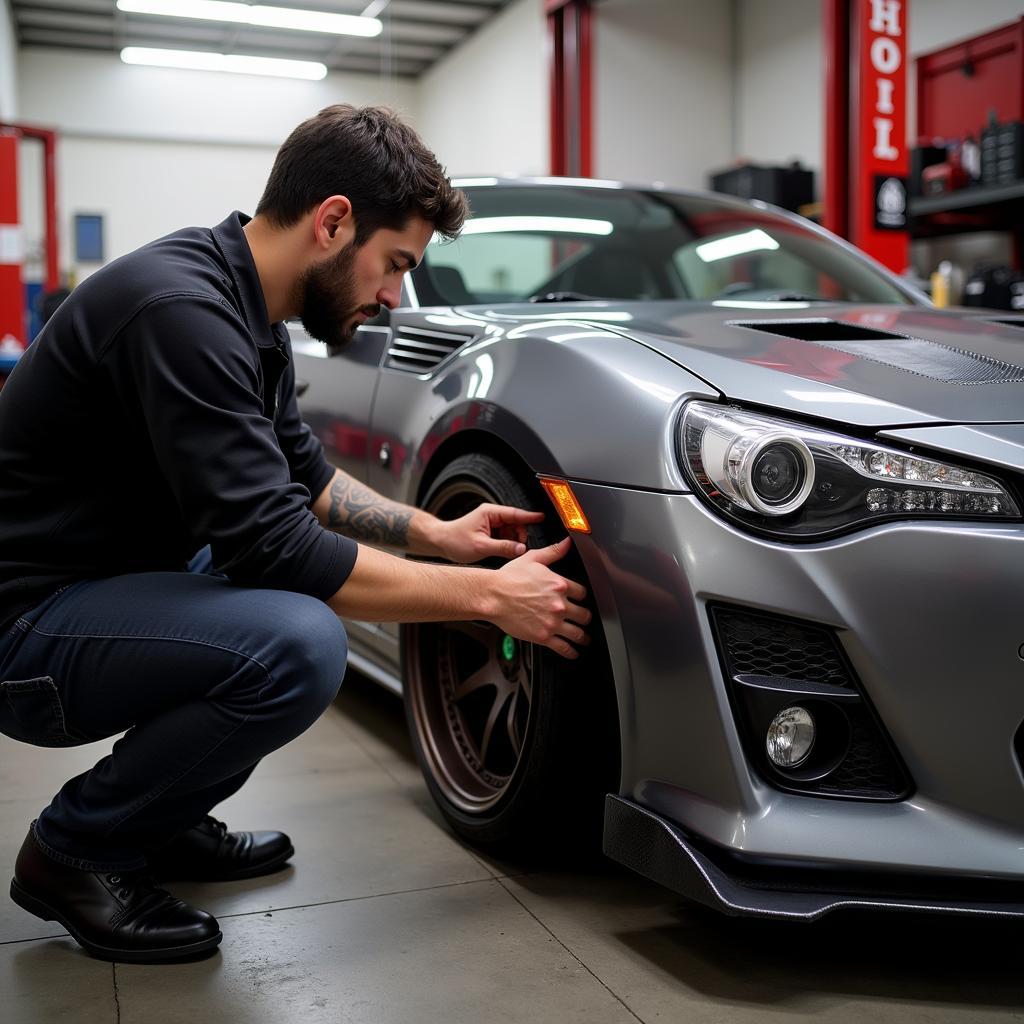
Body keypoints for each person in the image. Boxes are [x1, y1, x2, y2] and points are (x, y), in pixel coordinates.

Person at [0, 104, 590, 964]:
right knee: (300, 639)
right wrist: (489, 596)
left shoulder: (248, 308)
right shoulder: (180, 311)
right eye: (393, 266)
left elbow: (303, 477)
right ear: (334, 222)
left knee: (275, 601)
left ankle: (158, 819)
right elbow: (276, 545)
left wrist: (440, 534)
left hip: (93, 586)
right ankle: (75, 851)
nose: (392, 297)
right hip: (26, 637)